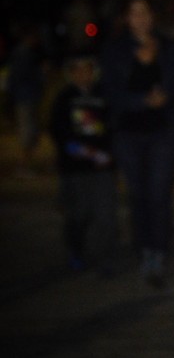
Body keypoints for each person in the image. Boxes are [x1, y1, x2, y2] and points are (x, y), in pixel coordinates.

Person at [101, 0, 174, 288]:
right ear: (126, 17)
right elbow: (109, 93)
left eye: (146, 12)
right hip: (128, 133)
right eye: (135, 12)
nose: (141, 18)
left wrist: (166, 94)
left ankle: (158, 254)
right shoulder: (115, 50)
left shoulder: (168, 46)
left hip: (163, 131)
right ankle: (144, 249)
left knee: (159, 194)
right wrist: (141, 101)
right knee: (138, 195)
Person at [48, 54, 118, 274]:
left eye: (87, 69)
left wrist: (107, 155)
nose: (83, 74)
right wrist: (82, 151)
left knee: (106, 216)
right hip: (75, 169)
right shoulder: (64, 98)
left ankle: (105, 258)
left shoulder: (105, 95)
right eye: (77, 70)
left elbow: (114, 128)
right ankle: (76, 250)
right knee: (79, 215)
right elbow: (59, 132)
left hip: (102, 167)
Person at [6, 22, 47, 175]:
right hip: (25, 98)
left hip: (28, 97)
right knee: (27, 133)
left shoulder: (26, 52)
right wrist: (40, 73)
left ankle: (27, 164)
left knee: (32, 133)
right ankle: (22, 166)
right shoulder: (23, 53)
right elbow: (19, 77)